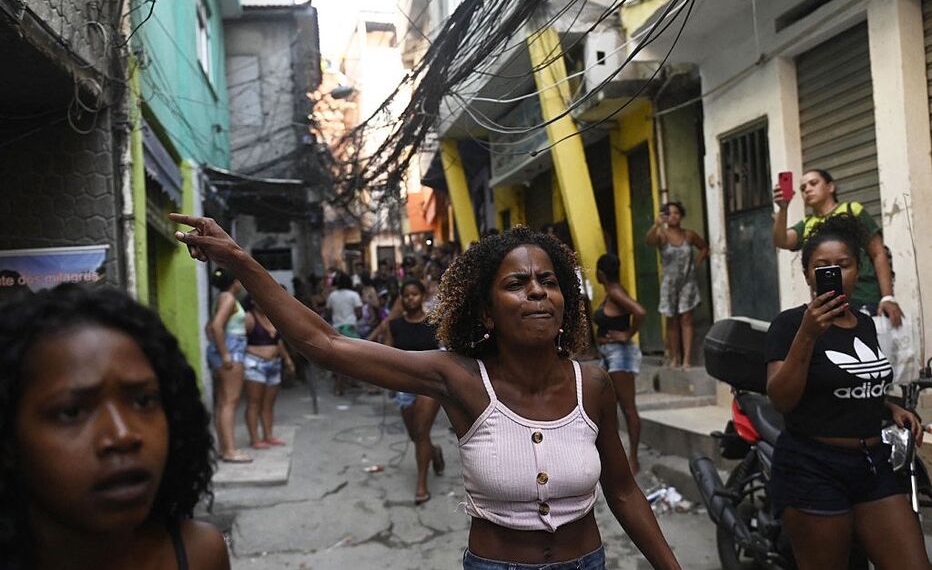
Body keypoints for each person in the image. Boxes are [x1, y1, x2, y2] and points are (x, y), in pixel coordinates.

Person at [171, 214, 682, 570]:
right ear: (485, 312)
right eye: (517, 283)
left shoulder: (592, 384)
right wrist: (240, 260)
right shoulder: (457, 379)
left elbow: (622, 490)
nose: (536, 291)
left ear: (564, 299)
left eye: (547, 281)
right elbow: (323, 343)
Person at [0, 285, 229, 569]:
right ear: (9, 440)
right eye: (71, 412)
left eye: (144, 401)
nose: (122, 435)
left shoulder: (199, 555)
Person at [764, 214, 928, 569]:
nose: (834, 273)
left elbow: (851, 381)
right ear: (808, 274)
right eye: (823, 266)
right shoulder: (789, 324)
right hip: (812, 466)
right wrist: (808, 333)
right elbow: (781, 398)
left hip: (873, 464)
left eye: (844, 264)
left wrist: (889, 407)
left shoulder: (865, 322)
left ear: (858, 269)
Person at [772, 168, 903, 327]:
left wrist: (888, 297)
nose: (807, 189)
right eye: (802, 188)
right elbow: (781, 240)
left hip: (866, 300)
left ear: (831, 187)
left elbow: (878, 253)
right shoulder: (807, 224)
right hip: (827, 306)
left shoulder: (852, 210)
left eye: (813, 183)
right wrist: (783, 208)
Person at [382, 278, 445, 505]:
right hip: (404, 386)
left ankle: (421, 484)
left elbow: (445, 354)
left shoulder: (434, 322)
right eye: (406, 295)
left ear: (423, 295)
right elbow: (386, 355)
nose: (410, 299)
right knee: (415, 435)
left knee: (420, 433)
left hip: (429, 386)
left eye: (414, 294)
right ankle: (435, 452)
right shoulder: (395, 325)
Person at [594, 254, 647, 476]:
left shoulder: (615, 292)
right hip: (609, 354)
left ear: (601, 274)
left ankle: (633, 459)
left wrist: (628, 334)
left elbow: (640, 311)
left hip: (620, 356)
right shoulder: (612, 292)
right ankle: (616, 457)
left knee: (628, 408)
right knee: (609, 407)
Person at [645, 201, 709, 368]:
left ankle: (687, 359)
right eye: (670, 213)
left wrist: (696, 264)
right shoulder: (663, 235)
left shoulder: (689, 235)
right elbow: (650, 241)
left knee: (687, 319)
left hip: (687, 282)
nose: (673, 216)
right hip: (669, 283)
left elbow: (704, 248)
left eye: (676, 213)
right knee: (672, 321)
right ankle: (675, 357)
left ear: (681, 216)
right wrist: (656, 225)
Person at [206, 268, 251, 463]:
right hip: (232, 349)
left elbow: (210, 328)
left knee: (223, 401)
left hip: (227, 347)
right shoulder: (229, 299)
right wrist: (225, 353)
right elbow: (216, 326)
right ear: (234, 283)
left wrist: (217, 347)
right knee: (230, 402)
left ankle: (224, 448)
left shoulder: (221, 298)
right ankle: (230, 450)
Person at [243, 296, 295, 450]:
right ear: (253, 300)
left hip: (274, 363)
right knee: (254, 403)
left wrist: (287, 359)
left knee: (268, 404)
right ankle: (255, 438)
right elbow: (238, 341)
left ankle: (268, 435)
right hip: (255, 363)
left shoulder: (272, 317)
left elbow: (278, 342)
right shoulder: (249, 317)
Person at [325, 271, 362, 396]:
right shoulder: (354, 295)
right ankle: (343, 385)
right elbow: (359, 313)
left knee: (341, 359)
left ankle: (342, 386)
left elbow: (328, 313)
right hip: (350, 328)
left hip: (336, 330)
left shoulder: (332, 295)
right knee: (357, 358)